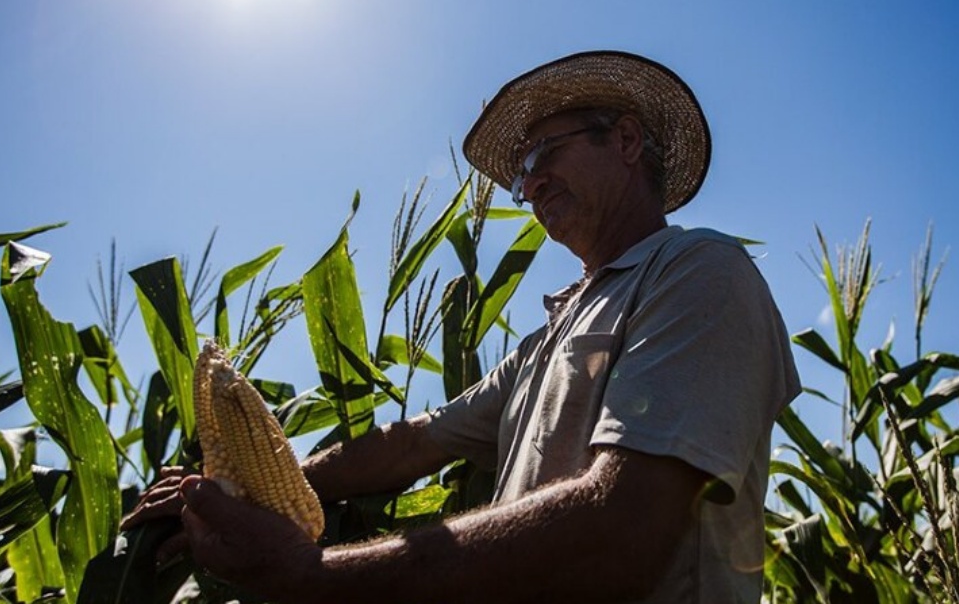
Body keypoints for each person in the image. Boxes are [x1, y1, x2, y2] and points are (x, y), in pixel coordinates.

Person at [123, 50, 801, 603]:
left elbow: (622, 530)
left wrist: (309, 577)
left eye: (542, 157)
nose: (529, 186)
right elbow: (414, 443)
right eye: (519, 178)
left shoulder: (698, 274)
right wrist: (256, 479)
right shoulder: (552, 334)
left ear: (625, 139)